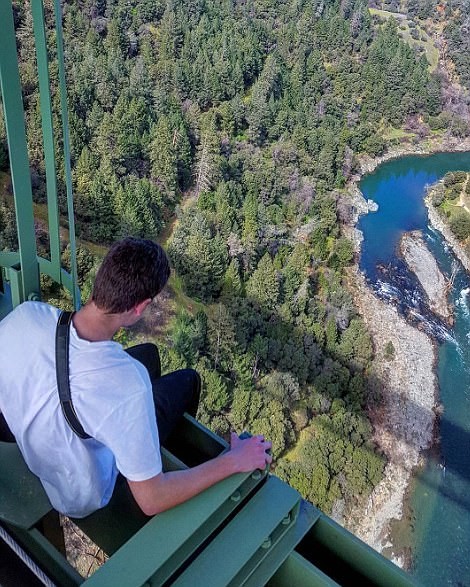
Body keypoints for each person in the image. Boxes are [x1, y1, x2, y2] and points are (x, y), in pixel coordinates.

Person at [0, 237, 272, 518]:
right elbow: (153, 501)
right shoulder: (129, 384)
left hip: (37, 441)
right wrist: (234, 460)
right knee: (188, 381)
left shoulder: (28, 315)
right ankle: (153, 459)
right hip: (78, 492)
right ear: (140, 307)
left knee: (149, 354)